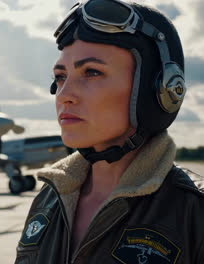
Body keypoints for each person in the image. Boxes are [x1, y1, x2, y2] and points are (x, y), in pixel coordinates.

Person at [14, 0, 204, 263]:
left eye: (91, 72)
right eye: (60, 76)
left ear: (162, 90)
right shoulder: (49, 198)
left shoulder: (194, 212)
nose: (64, 95)